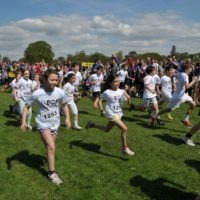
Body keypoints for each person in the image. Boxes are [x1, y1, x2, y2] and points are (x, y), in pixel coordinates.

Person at [20, 69, 71, 185]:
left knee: (49, 147)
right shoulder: (38, 93)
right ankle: (52, 174)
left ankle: (49, 158)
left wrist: (67, 118)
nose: (54, 82)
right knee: (51, 147)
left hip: (55, 123)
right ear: (45, 80)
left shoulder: (60, 92)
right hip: (42, 123)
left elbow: (64, 105)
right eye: (51, 80)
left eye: (56, 80)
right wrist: (23, 122)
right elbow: (26, 107)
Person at [85, 74, 134, 156]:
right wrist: (97, 105)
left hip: (119, 113)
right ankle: (124, 148)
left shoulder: (121, 91)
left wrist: (128, 100)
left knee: (106, 129)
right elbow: (100, 98)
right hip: (111, 113)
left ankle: (92, 125)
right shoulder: (107, 92)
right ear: (110, 83)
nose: (117, 83)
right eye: (115, 81)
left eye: (118, 81)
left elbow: (127, 97)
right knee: (124, 129)